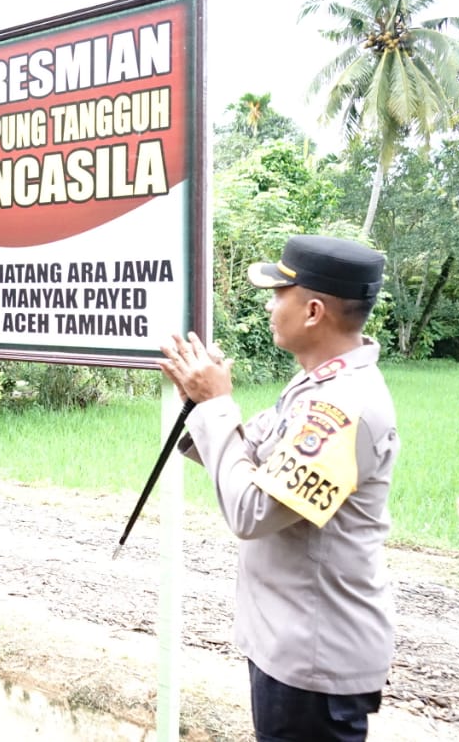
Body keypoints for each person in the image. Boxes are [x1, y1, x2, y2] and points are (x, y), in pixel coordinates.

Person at [159, 235, 398, 742]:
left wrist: (216, 407)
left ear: (313, 311)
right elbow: (251, 456)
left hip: (314, 659)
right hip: (292, 645)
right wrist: (202, 405)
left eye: (278, 294)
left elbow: (252, 510)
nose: (269, 306)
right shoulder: (316, 385)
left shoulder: (342, 408)